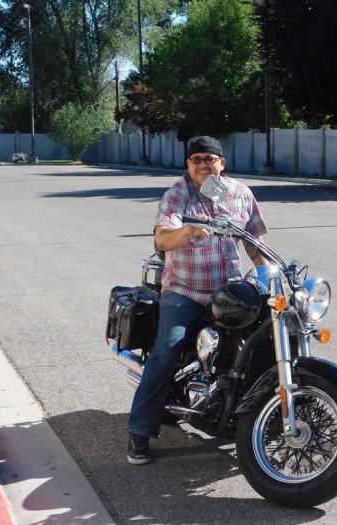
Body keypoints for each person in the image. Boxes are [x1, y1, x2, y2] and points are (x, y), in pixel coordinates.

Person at [127, 135, 269, 464]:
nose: (203, 164)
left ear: (222, 163)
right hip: (185, 289)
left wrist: (270, 277)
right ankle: (139, 431)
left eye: (209, 159)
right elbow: (162, 240)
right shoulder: (177, 194)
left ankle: (249, 412)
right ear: (188, 164)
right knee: (168, 348)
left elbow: (254, 242)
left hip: (230, 290)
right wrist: (187, 231)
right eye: (196, 159)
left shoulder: (240, 193)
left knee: (261, 339)